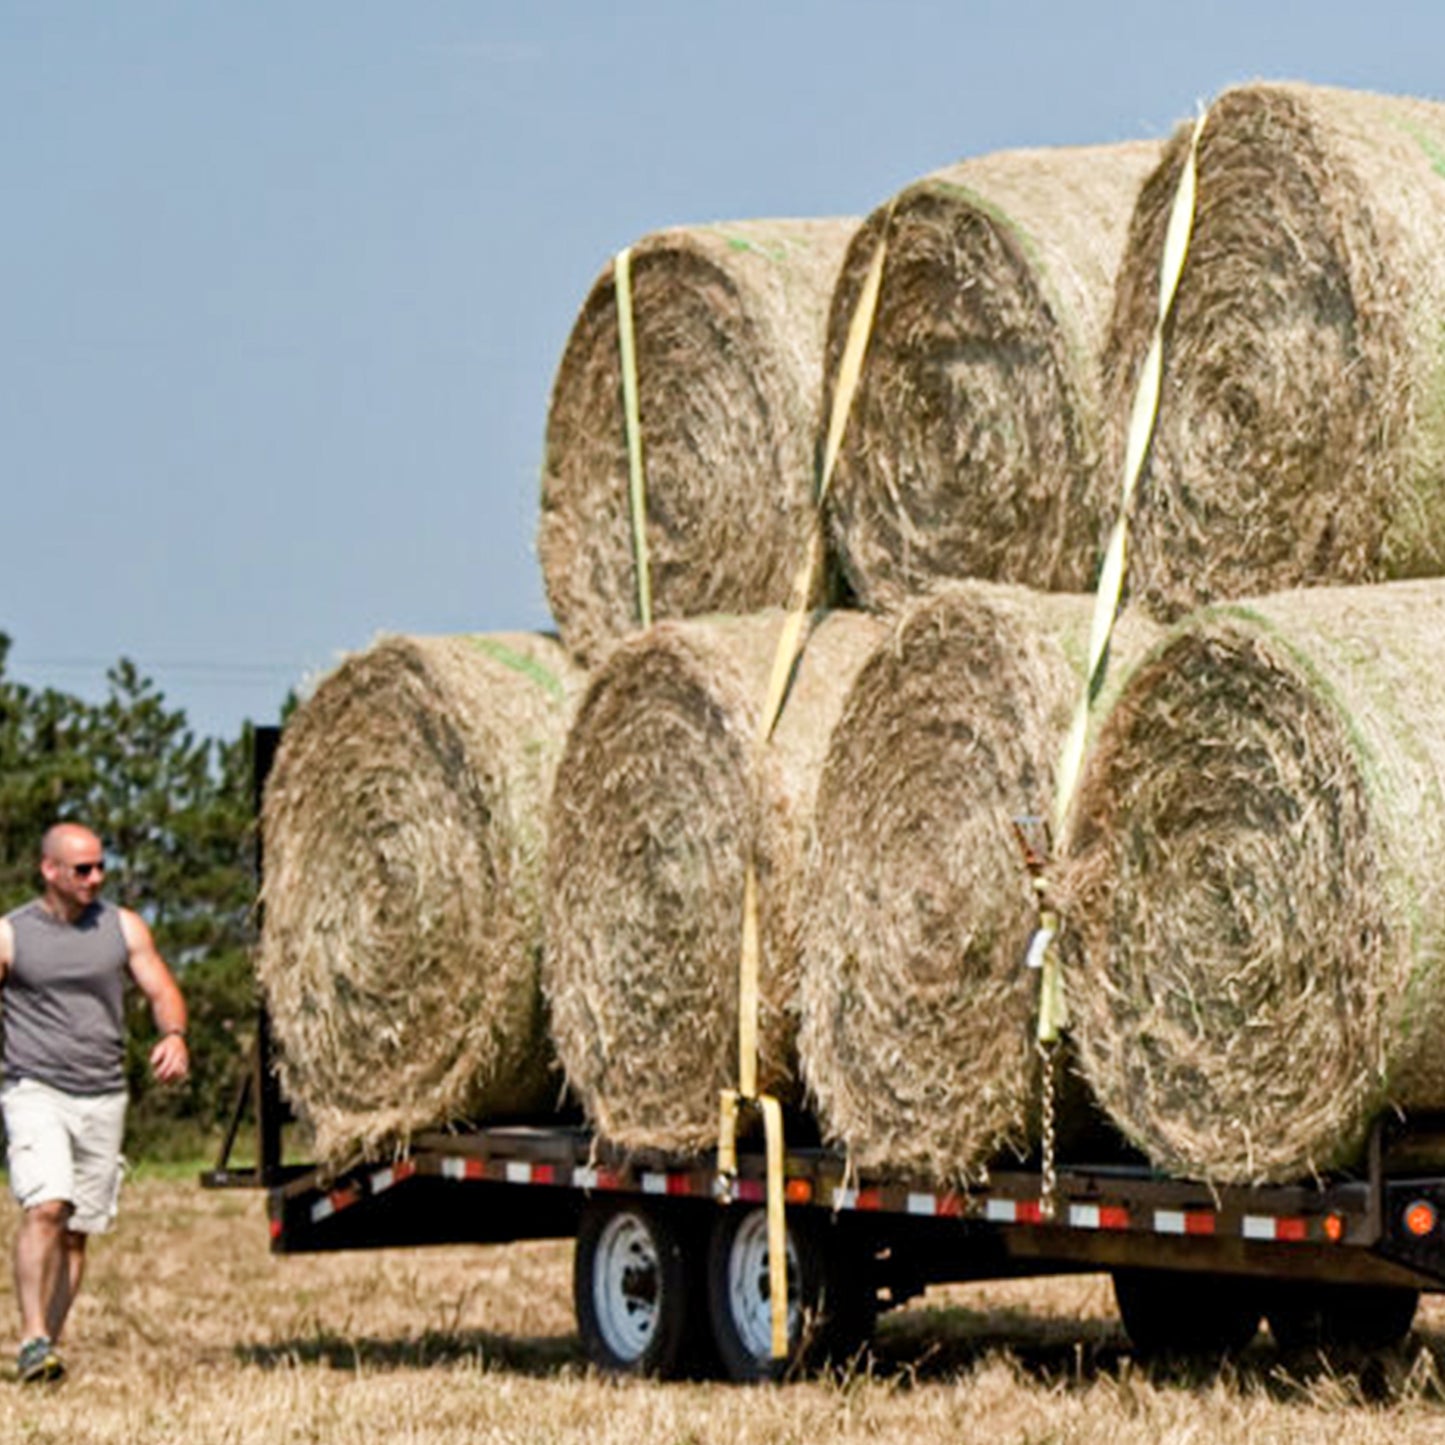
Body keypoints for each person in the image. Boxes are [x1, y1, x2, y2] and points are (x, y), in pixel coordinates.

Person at [0, 822, 188, 1384]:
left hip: (104, 1092)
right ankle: (32, 1335)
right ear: (50, 870)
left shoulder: (122, 926)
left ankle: (48, 1350)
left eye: (101, 866)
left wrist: (174, 1035)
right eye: (83, 869)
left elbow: (160, 990)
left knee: (78, 1228)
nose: (96, 877)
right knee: (48, 1205)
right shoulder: (11, 934)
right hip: (34, 1087)